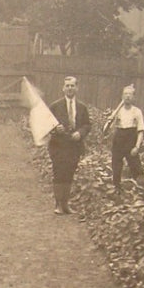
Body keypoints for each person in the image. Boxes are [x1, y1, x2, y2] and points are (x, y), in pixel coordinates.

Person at [48, 76, 91, 214]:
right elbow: (46, 124)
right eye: (67, 86)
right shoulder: (55, 106)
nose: (70, 88)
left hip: (74, 146)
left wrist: (80, 133)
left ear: (77, 88)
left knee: (69, 174)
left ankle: (66, 204)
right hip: (58, 145)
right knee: (59, 173)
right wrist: (55, 129)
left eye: (72, 86)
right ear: (63, 88)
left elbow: (87, 124)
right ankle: (58, 204)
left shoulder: (82, 107)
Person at [103, 83, 144, 188]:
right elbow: (106, 130)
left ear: (133, 97)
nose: (127, 96)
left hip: (131, 139)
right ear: (122, 97)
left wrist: (137, 147)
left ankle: (141, 190)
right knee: (116, 166)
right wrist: (109, 121)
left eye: (130, 94)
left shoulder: (137, 111)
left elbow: (141, 130)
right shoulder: (117, 112)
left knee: (136, 166)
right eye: (125, 94)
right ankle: (116, 189)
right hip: (119, 139)